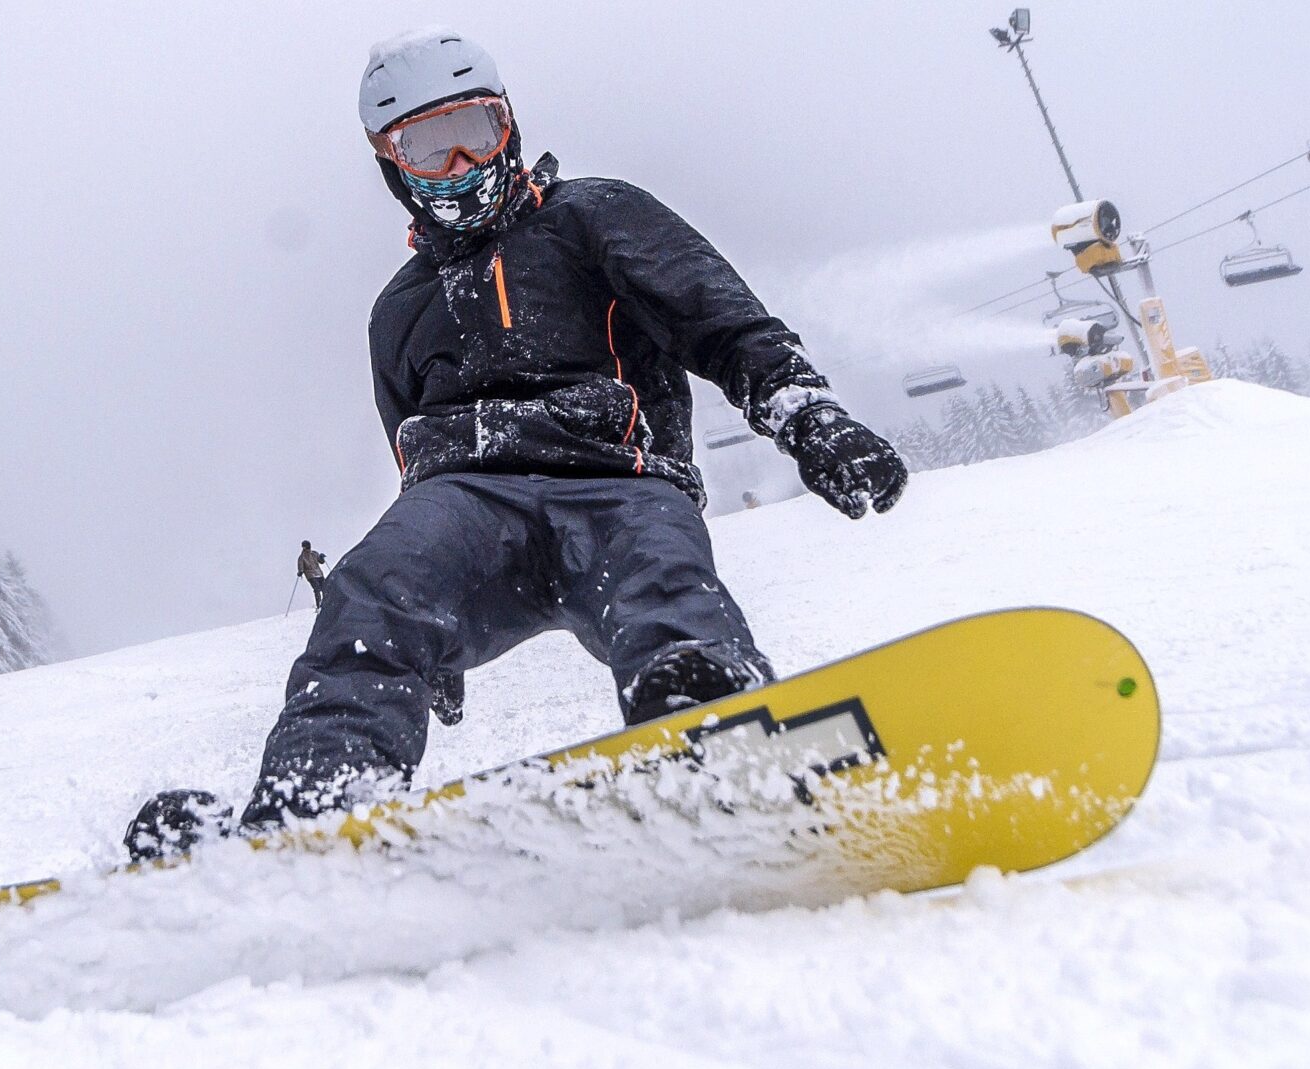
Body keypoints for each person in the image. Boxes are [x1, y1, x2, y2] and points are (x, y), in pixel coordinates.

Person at [123, 29, 906, 860]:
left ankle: (706, 720)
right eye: (427, 147)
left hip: (619, 481)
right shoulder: (399, 309)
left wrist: (810, 419)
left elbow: (719, 321)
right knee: (372, 589)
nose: (460, 164)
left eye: (476, 132)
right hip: (469, 505)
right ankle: (321, 796)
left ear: (509, 125)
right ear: (394, 168)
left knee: (661, 578)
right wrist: (429, 645)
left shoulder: (592, 216)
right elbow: (413, 466)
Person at [297, 540, 330, 609]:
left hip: (319, 574)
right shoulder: (302, 557)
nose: (305, 548)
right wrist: (300, 571)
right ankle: (319, 605)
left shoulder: (314, 553)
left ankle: (327, 603)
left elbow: (321, 562)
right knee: (317, 589)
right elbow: (301, 567)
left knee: (325, 587)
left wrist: (321, 558)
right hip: (311, 576)